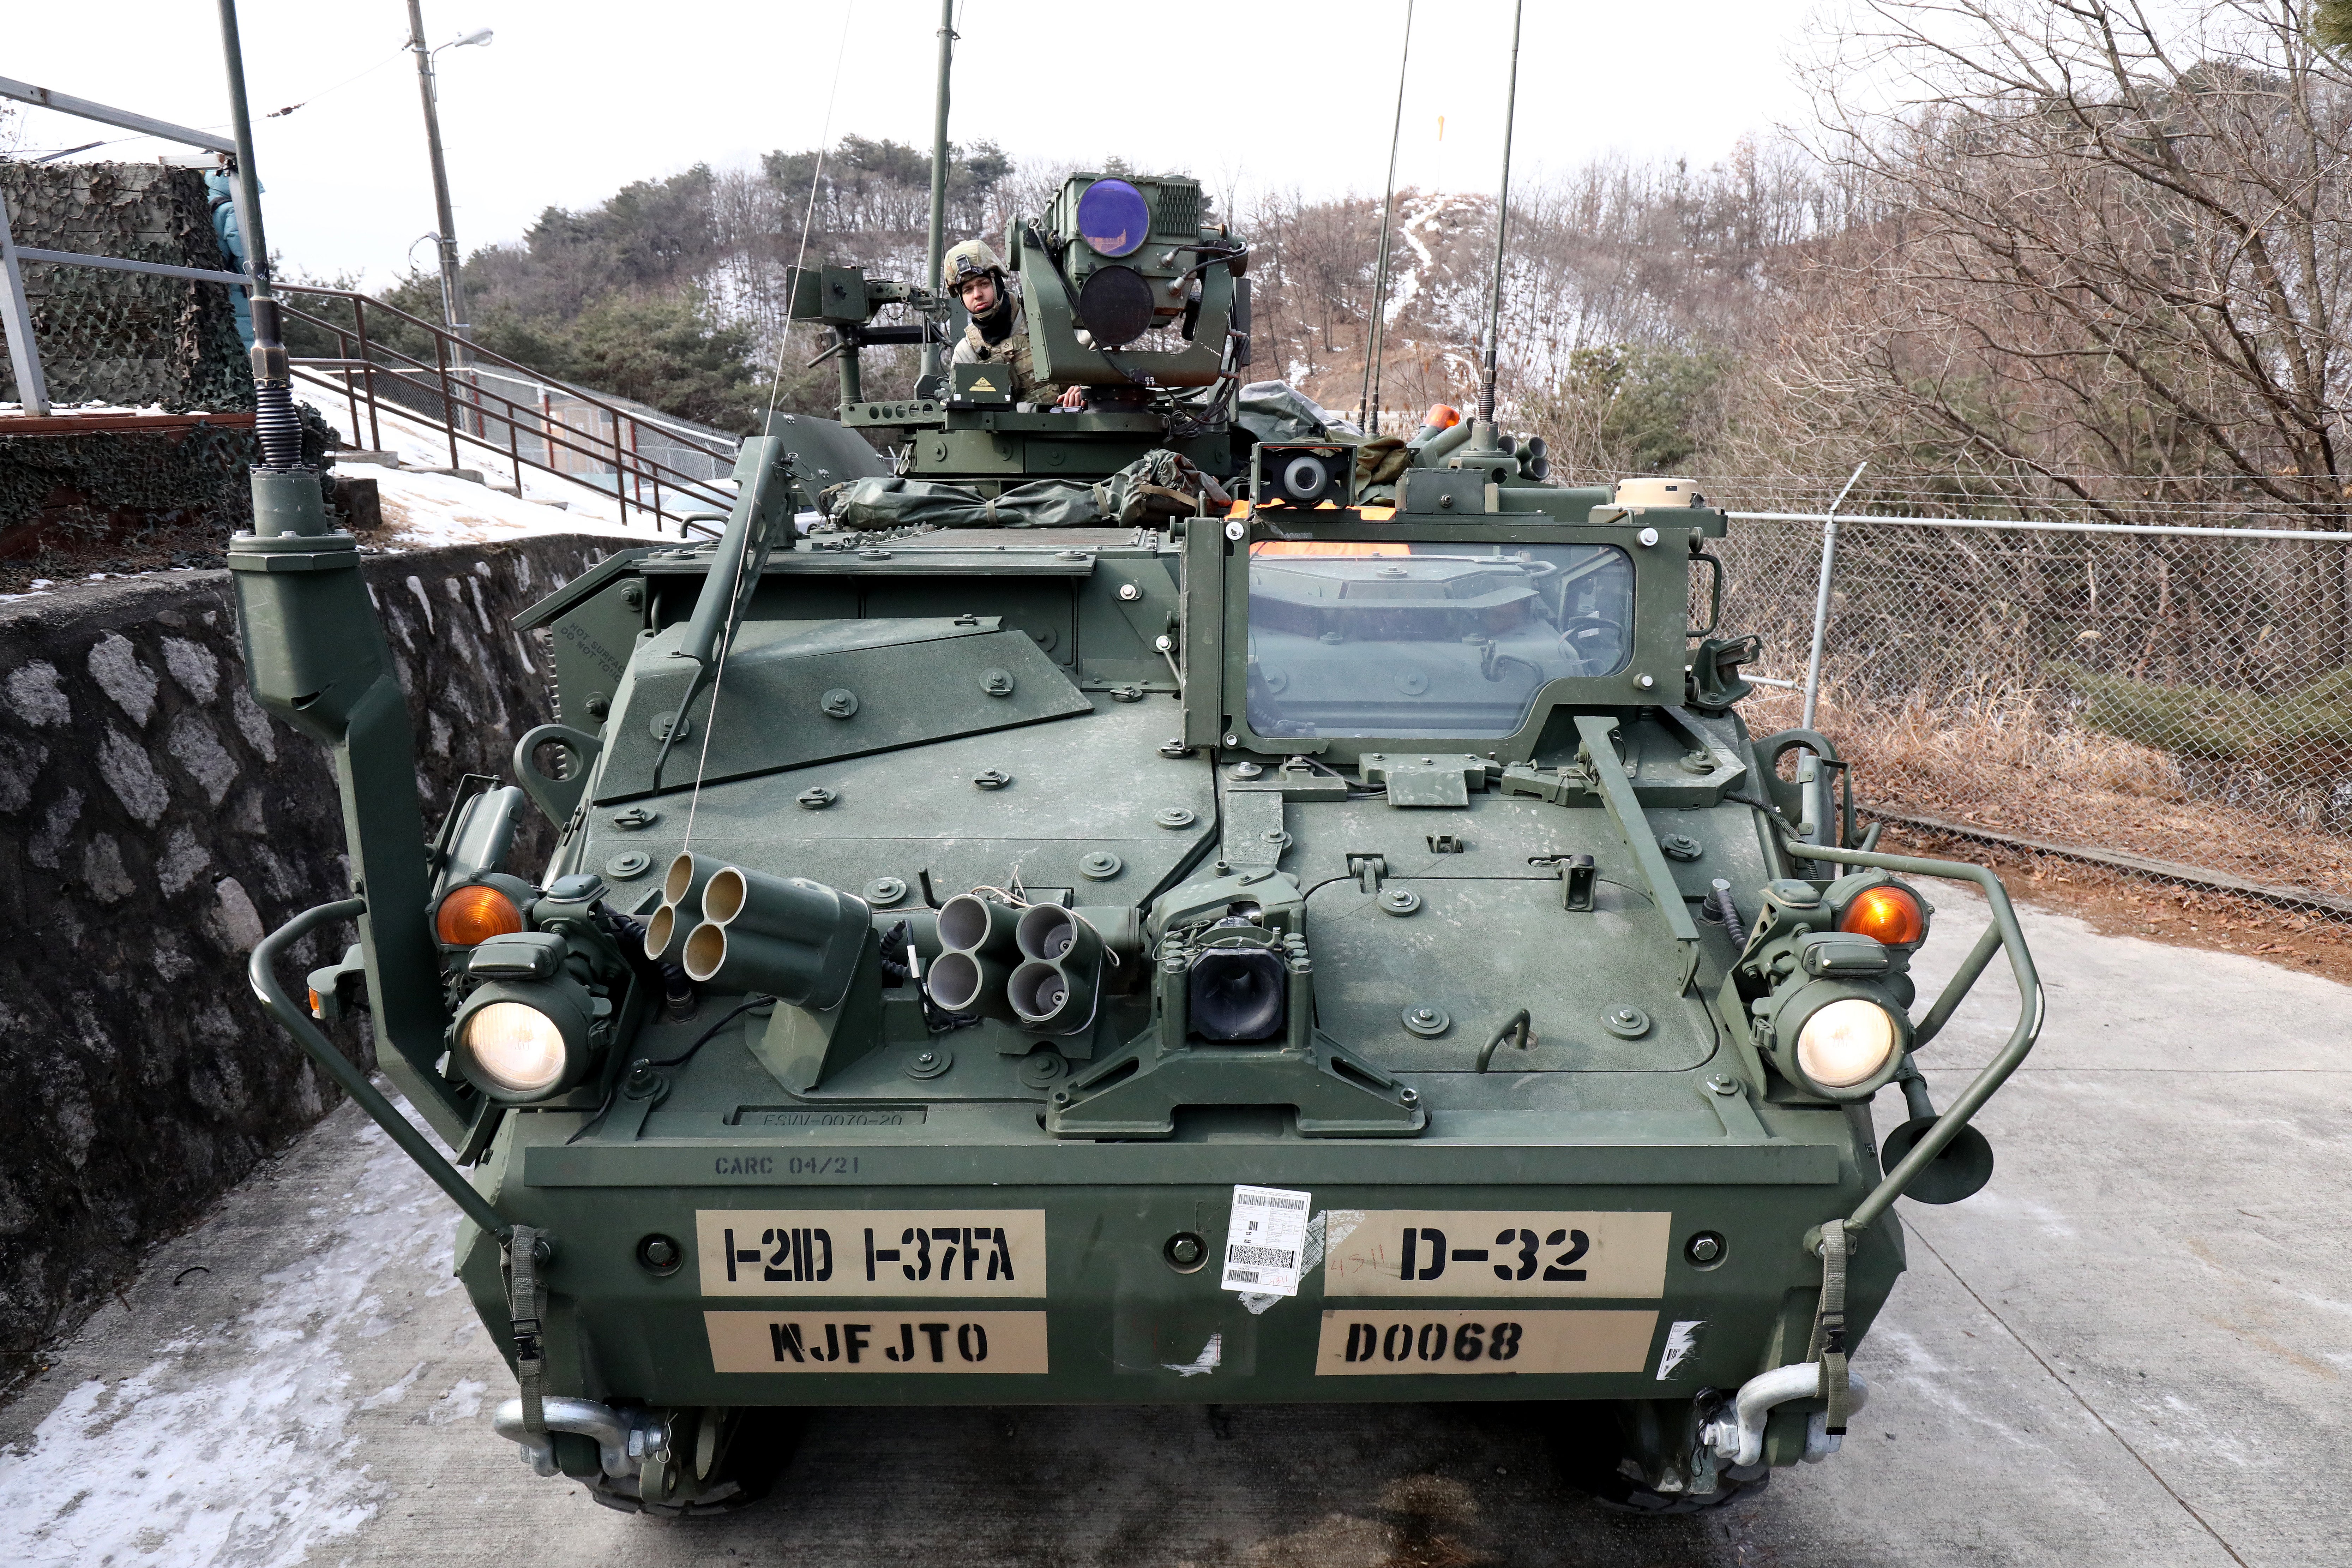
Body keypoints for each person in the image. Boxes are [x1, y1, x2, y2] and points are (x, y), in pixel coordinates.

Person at [943, 240, 1085, 410]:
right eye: (967, 290)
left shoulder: (1047, 316)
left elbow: (1107, 357)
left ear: (997, 283)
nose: (977, 295)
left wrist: (1086, 389)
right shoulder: (967, 353)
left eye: (984, 284)